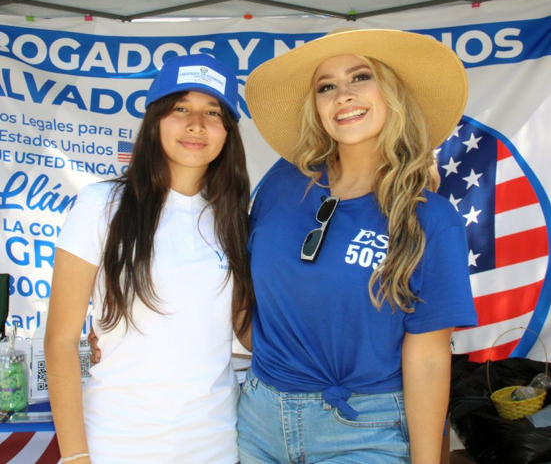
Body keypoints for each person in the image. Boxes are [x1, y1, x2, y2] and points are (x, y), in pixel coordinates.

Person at [239, 29, 478, 464]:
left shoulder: (430, 218)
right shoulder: (283, 180)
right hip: (258, 419)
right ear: (317, 108)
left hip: (364, 429)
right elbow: (243, 274)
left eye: (360, 78)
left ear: (392, 95)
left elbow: (427, 358)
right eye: (326, 86)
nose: (342, 95)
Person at [45, 54, 253, 464]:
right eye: (181, 108)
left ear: (227, 133)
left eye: (213, 112)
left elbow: (246, 329)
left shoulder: (234, 218)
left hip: (217, 445)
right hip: (116, 443)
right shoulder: (101, 204)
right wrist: (74, 456)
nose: (196, 123)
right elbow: (61, 341)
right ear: (156, 119)